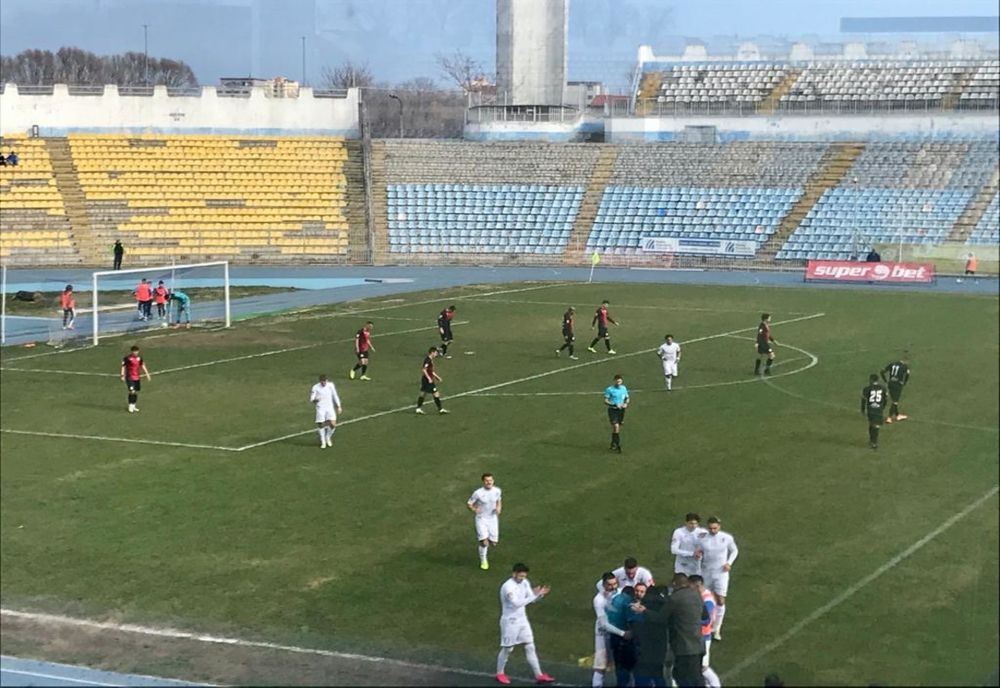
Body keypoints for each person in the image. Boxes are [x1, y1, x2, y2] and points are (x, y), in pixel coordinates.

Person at [495, 563, 554, 685]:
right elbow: (516, 603)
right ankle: (500, 673)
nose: (522, 578)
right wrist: (535, 595)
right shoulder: (508, 587)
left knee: (530, 646)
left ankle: (539, 674)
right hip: (510, 622)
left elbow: (530, 598)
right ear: (514, 574)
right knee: (507, 649)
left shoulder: (525, 582)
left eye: (523, 576)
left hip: (522, 620)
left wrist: (540, 594)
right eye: (520, 576)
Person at [701, 517, 738, 642]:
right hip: (706, 572)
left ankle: (717, 628)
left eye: (715, 528)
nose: (713, 530)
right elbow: (699, 550)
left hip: (721, 573)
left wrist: (729, 563)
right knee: (705, 599)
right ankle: (706, 624)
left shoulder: (726, 538)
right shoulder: (702, 538)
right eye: (710, 528)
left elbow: (734, 551)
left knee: (720, 600)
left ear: (719, 526)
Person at [592, 572, 629, 688]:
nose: (613, 587)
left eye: (614, 584)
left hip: (618, 632)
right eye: (610, 585)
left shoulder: (619, 592)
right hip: (603, 634)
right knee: (600, 663)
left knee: (623, 662)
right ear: (603, 585)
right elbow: (604, 624)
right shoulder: (598, 600)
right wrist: (622, 633)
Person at [629, 584, 671, 687]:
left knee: (641, 677)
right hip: (659, 648)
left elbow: (635, 628)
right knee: (658, 675)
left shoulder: (641, 608)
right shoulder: (664, 607)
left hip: (642, 648)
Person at [607, 583, 644, 688]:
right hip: (626, 639)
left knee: (619, 666)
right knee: (629, 667)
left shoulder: (614, 600)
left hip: (614, 637)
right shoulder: (627, 603)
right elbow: (632, 620)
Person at [689, 575, 721, 688]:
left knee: (703, 667)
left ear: (698, 586)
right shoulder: (700, 596)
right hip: (698, 635)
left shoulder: (707, 600)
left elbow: (706, 620)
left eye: (691, 587)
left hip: (704, 636)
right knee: (697, 666)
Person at [467, 473, 502, 570]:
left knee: (493, 543)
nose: (489, 482)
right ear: (483, 482)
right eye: (487, 480)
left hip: (493, 519)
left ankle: (488, 543)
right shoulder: (478, 493)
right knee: (484, 542)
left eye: (490, 480)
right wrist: (474, 509)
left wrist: (498, 508)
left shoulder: (497, 491)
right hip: (481, 519)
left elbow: (498, 500)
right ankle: (483, 560)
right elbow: (469, 503)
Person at [309, 374, 342, 449]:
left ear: (327, 381)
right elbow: (311, 399)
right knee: (321, 424)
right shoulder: (315, 387)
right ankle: (323, 441)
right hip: (320, 408)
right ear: (320, 381)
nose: (324, 383)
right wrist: (316, 400)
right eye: (322, 382)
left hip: (330, 408)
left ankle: (328, 437)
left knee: (333, 424)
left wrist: (339, 406)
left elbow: (335, 395)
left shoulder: (331, 385)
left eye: (325, 382)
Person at [415, 347, 448, 415]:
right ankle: (440, 409)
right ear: (432, 352)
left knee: (423, 393)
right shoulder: (428, 360)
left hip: (426, 379)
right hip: (427, 380)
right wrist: (429, 378)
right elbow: (424, 370)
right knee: (436, 393)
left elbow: (431, 371)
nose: (436, 354)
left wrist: (437, 377)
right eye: (436, 353)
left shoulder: (430, 360)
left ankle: (418, 408)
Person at [120, 344, 151, 413]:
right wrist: (122, 375)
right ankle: (130, 406)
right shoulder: (127, 358)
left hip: (137, 377)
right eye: (134, 351)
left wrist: (147, 374)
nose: (136, 353)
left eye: (137, 351)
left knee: (136, 392)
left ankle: (134, 405)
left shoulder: (139, 358)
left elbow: (143, 365)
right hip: (130, 377)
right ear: (132, 352)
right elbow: (123, 366)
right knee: (132, 391)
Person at [861, 373, 888, 450]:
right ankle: (874, 443)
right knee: (876, 426)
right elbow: (885, 399)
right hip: (878, 409)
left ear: (871, 380)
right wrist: (883, 407)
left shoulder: (867, 388)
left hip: (870, 409)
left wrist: (863, 410)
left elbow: (863, 400)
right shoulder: (883, 388)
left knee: (871, 424)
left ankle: (872, 440)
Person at [604, 374, 629, 453]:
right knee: (616, 426)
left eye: (620, 381)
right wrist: (614, 404)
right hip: (613, 410)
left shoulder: (624, 388)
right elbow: (606, 400)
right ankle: (617, 444)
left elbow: (627, 398)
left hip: (621, 410)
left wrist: (626, 404)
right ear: (614, 381)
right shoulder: (609, 389)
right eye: (617, 381)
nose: (618, 382)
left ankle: (613, 442)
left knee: (617, 427)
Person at [881, 356, 910, 423]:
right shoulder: (905, 366)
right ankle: (889, 417)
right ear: (905, 361)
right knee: (895, 402)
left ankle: (897, 415)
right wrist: (904, 383)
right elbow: (907, 375)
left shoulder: (892, 364)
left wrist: (885, 381)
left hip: (890, 383)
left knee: (894, 399)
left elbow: (882, 372)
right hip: (897, 384)